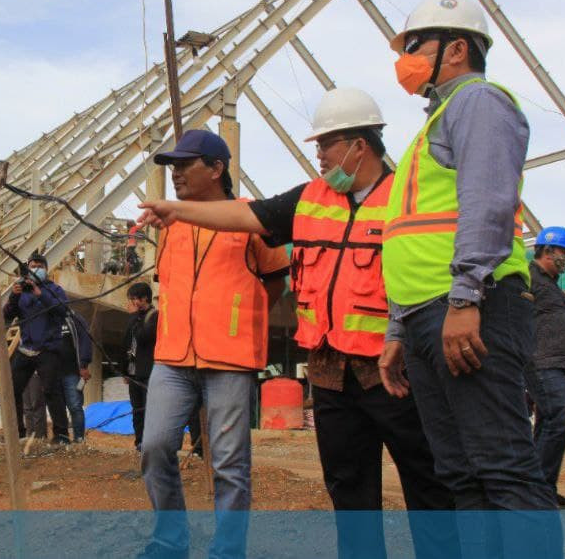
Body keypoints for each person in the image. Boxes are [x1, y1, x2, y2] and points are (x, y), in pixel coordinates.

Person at [140, 89, 454, 558]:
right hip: (329, 370)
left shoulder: (407, 200)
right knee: (349, 488)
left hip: (392, 369)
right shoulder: (309, 200)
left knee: (425, 479)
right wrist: (176, 209)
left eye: (326, 145)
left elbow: (431, 272)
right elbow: (250, 215)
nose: (320, 157)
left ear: (358, 146)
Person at [378, 0, 559, 556]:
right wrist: (398, 329)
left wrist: (465, 297)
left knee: (502, 468)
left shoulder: (477, 103)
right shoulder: (436, 120)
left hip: (469, 307)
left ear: (456, 49)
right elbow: (411, 235)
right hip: (429, 314)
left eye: (414, 46)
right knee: (461, 474)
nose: (404, 58)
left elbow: (486, 204)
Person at [135, 129, 289, 559]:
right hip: (173, 357)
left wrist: (241, 317)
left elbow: (275, 280)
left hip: (230, 358)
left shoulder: (250, 218)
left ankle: (227, 551)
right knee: (155, 446)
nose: (176, 173)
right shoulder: (171, 225)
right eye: (172, 166)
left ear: (217, 168)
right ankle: (169, 541)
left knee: (228, 464)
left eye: (185, 164)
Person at [525, 226, 565, 509]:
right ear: (547, 250)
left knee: (550, 421)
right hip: (541, 362)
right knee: (560, 417)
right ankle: (535, 491)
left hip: (560, 364)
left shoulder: (552, 284)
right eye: (564, 251)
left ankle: (542, 488)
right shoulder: (528, 278)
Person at [3, 252, 72, 444]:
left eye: (40, 266)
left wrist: (40, 294)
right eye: (32, 266)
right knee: (12, 390)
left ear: (46, 269)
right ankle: (17, 432)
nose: (36, 269)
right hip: (26, 348)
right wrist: (14, 296)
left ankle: (61, 434)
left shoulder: (54, 290)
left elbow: (63, 310)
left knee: (52, 390)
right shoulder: (21, 293)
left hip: (48, 349)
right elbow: (7, 315)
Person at [123, 282, 158, 451]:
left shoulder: (154, 316)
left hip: (148, 371)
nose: (132, 303)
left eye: (135, 299)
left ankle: (150, 442)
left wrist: (134, 317)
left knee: (149, 408)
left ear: (144, 298)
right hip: (133, 371)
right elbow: (126, 341)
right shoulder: (135, 318)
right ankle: (139, 441)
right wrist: (125, 371)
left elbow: (144, 337)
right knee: (136, 409)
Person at [57, 308, 93, 443]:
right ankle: (62, 439)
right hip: (53, 372)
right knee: (58, 408)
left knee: (75, 406)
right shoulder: (48, 319)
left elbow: (85, 341)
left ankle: (79, 439)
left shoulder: (74, 318)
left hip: (72, 371)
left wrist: (83, 365)